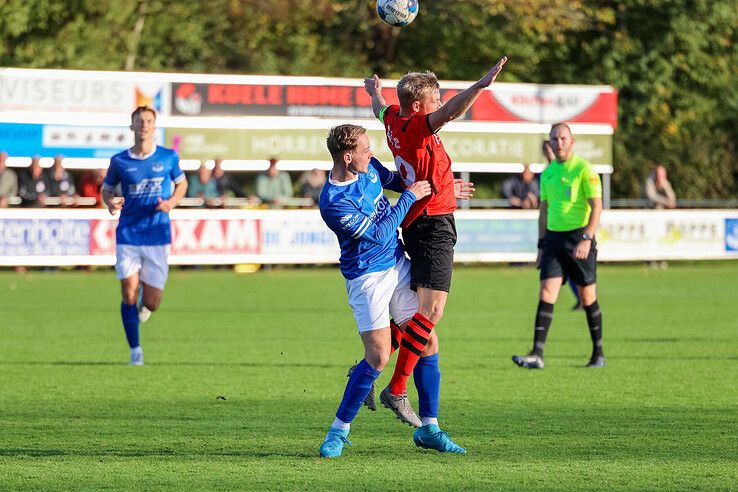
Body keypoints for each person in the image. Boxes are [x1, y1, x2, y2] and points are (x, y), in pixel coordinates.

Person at [364, 57, 507, 412]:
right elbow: (453, 112)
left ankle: (366, 371)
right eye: (435, 99)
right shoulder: (416, 126)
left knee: (420, 314)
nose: (440, 105)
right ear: (417, 107)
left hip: (420, 218)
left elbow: (380, 109)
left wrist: (375, 93)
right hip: (432, 224)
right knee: (430, 312)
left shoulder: (394, 120)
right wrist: (479, 85)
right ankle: (396, 389)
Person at [318, 124, 469, 458]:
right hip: (365, 277)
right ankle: (338, 431)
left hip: (396, 264)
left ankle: (430, 428)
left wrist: (440, 188)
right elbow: (379, 232)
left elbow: (397, 180)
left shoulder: (368, 167)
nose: (371, 154)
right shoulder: (332, 202)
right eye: (365, 149)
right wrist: (411, 197)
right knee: (379, 356)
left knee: (428, 338)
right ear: (347, 156)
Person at [512, 123, 605, 370]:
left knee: (587, 297)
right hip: (553, 240)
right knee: (546, 293)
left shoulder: (584, 169)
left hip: (579, 238)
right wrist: (541, 245)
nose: (559, 142)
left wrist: (587, 238)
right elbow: (544, 210)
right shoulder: (549, 173)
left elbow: (597, 205)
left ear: (572, 142)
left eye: (563, 138)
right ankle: (537, 354)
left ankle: (598, 353)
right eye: (555, 138)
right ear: (550, 143)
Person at [101, 106, 187, 366]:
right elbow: (106, 190)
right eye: (139, 121)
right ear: (132, 126)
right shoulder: (120, 161)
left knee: (153, 301)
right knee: (128, 291)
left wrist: (171, 203)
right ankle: (135, 350)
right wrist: (111, 203)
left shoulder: (168, 157)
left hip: (157, 234)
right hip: (128, 234)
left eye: (149, 121)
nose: (144, 125)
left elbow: (182, 184)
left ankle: (145, 306)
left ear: (154, 126)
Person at [543, 140, 582, 310]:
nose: (548, 152)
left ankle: (583, 298)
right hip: (554, 231)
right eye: (545, 150)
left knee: (573, 272)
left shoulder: (567, 170)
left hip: (571, 231)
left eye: (549, 149)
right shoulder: (547, 173)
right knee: (556, 276)